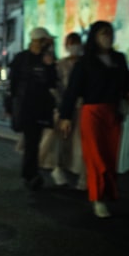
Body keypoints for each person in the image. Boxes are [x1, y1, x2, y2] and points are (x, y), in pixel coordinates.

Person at [58, 21, 129, 218]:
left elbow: (127, 84)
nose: (107, 37)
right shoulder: (85, 62)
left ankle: (108, 192)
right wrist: (66, 116)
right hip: (92, 113)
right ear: (94, 37)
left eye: (109, 33)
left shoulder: (119, 58)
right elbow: (72, 91)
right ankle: (97, 198)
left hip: (114, 112)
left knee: (110, 157)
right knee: (96, 157)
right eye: (102, 33)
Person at [6, 27, 58, 191]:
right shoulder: (21, 59)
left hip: (41, 107)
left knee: (33, 142)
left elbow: (52, 82)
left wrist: (50, 65)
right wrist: (9, 106)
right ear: (39, 41)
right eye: (46, 41)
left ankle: (30, 173)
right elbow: (12, 85)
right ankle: (31, 174)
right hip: (26, 106)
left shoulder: (47, 59)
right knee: (32, 141)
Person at [52, 32, 86, 189]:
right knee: (63, 140)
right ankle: (59, 169)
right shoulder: (61, 64)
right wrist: (60, 104)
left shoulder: (86, 63)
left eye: (76, 42)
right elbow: (57, 86)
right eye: (71, 43)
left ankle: (82, 174)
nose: (74, 46)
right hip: (65, 107)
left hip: (82, 107)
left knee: (81, 143)